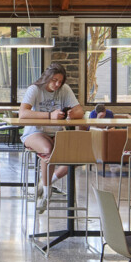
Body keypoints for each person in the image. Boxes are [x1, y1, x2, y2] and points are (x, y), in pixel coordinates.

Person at [18, 61, 86, 212]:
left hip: (57, 133)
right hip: (35, 132)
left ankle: (45, 183)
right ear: (47, 77)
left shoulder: (65, 90)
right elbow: (22, 113)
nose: (57, 84)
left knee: (76, 158)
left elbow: (80, 110)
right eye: (54, 80)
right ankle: (47, 194)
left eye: (60, 82)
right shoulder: (34, 89)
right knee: (48, 150)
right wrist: (50, 115)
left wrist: (73, 113)